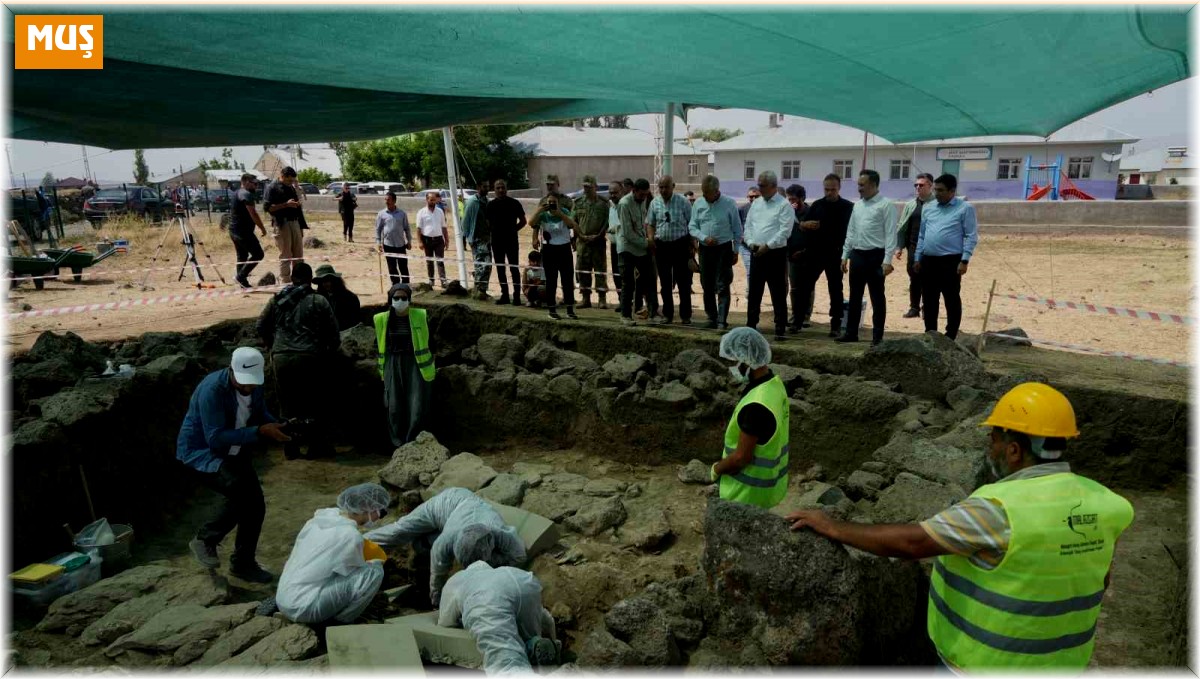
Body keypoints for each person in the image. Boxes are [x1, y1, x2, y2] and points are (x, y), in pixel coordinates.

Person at [786, 382, 1134, 672]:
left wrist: (832, 526)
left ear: (1014, 450)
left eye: (993, 440)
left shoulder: (998, 510)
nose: (990, 448)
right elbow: (1099, 579)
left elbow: (914, 543)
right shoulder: (1105, 503)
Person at [177, 347, 291, 583]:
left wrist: (279, 426)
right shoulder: (213, 390)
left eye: (253, 383)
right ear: (232, 370)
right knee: (242, 492)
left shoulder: (254, 389)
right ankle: (206, 539)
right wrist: (259, 432)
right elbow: (215, 438)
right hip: (204, 452)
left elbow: (260, 414)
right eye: (245, 383)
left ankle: (243, 563)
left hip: (236, 450)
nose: (249, 388)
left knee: (255, 505)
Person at [364, 487, 527, 606]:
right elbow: (438, 571)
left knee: (423, 544)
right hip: (446, 503)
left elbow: (519, 557)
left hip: (466, 512)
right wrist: (437, 598)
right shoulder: (448, 539)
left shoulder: (501, 533)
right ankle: (358, 542)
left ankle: (423, 541)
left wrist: (492, 563)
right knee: (400, 532)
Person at [256, 262, 340, 460]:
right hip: (309, 357)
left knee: (287, 406)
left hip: (281, 357)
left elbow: (261, 324)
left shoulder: (277, 299)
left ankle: (290, 448)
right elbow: (333, 333)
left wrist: (271, 344)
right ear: (311, 280)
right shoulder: (318, 301)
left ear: (292, 278)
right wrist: (327, 351)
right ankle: (315, 447)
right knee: (313, 405)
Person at [275, 483, 392, 625]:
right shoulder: (350, 536)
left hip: (283, 597)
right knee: (374, 571)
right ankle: (340, 623)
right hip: (304, 608)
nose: (379, 518)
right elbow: (353, 570)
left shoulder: (321, 519)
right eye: (381, 512)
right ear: (367, 509)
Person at [710, 327, 789, 509]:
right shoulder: (773, 385)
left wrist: (715, 469)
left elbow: (740, 458)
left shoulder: (756, 406)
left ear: (745, 361)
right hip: (767, 488)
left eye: (733, 360)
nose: (731, 367)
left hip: (745, 495)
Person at [438, 562, 560, 674]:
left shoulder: (456, 581)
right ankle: (534, 646)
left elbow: (445, 621)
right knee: (525, 636)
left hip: (486, 598)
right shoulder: (492, 573)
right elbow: (546, 618)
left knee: (504, 661)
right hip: (523, 581)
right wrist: (554, 638)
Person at [915, 174, 979, 340]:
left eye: (941, 190)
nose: (937, 193)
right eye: (935, 190)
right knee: (929, 299)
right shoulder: (928, 208)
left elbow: (971, 236)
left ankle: (950, 335)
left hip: (951, 261)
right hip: (928, 261)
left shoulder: (965, 208)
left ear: (952, 191)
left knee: (951, 298)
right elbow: (922, 235)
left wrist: (964, 260)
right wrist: (917, 257)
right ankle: (931, 333)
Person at [839, 169, 898, 345]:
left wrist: (887, 261)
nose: (859, 188)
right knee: (855, 296)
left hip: (876, 256)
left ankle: (877, 336)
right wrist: (845, 255)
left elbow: (890, 235)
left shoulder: (886, 205)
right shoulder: (857, 205)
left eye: (862, 185)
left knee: (877, 297)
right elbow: (851, 231)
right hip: (857, 255)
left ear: (873, 185)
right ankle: (851, 333)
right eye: (859, 184)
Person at [375, 282, 435, 447]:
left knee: (416, 405)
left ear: (409, 299)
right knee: (393, 406)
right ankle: (397, 443)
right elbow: (379, 344)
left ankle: (413, 441)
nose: (400, 301)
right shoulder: (381, 319)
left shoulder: (421, 316)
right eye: (396, 298)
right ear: (390, 299)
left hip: (416, 365)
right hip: (393, 363)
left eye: (403, 298)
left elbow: (431, 341)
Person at [795, 174, 853, 338]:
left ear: (839, 188)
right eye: (826, 189)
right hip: (815, 253)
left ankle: (835, 324)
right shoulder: (817, 205)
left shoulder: (847, 207)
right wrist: (805, 225)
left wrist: (846, 255)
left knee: (835, 289)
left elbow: (851, 232)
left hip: (836, 253)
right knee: (804, 287)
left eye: (832, 189)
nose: (829, 193)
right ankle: (798, 321)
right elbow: (803, 225)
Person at [743, 171, 793, 341]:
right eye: (758, 185)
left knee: (778, 292)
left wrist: (768, 246)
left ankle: (780, 328)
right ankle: (751, 325)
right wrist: (750, 243)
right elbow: (748, 226)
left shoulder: (784, 205)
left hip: (775, 254)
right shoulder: (756, 204)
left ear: (772, 186)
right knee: (755, 291)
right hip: (756, 251)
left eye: (762, 186)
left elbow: (784, 231)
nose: (759, 189)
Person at [689, 175, 742, 330]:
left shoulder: (729, 204)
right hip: (705, 249)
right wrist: (704, 237)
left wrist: (736, 250)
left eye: (707, 193)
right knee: (707, 284)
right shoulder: (698, 203)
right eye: (703, 193)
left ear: (716, 191)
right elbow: (692, 227)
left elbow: (737, 229)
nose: (704, 196)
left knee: (723, 284)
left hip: (724, 249)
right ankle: (711, 317)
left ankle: (721, 320)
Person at [646, 175, 694, 325]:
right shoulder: (654, 203)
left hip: (680, 245)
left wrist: (693, 245)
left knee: (684, 283)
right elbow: (650, 224)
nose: (663, 190)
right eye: (660, 187)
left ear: (673, 186)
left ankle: (685, 316)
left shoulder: (683, 202)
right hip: (662, 247)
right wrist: (651, 239)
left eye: (666, 187)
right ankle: (668, 315)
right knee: (665, 283)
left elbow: (691, 224)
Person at [529, 190, 578, 320]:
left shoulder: (565, 212)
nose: (551, 204)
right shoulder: (543, 215)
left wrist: (560, 214)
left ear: (559, 203)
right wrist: (539, 211)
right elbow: (531, 223)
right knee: (551, 281)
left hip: (564, 248)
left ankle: (569, 308)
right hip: (549, 249)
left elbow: (571, 224)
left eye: (554, 202)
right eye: (549, 202)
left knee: (567, 279)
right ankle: (552, 309)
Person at [616, 178, 658, 326]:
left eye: (646, 195)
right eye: (641, 195)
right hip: (627, 248)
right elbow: (628, 233)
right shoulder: (624, 204)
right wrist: (647, 243)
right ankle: (625, 315)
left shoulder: (644, 201)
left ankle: (653, 314)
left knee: (650, 280)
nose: (644, 197)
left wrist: (649, 238)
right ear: (634, 191)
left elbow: (643, 224)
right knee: (628, 282)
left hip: (642, 246)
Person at [895, 173, 937, 319]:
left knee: (929, 280)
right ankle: (914, 308)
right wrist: (899, 247)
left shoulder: (937, 204)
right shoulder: (910, 205)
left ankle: (928, 308)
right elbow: (902, 226)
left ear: (930, 186)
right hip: (913, 247)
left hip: (931, 249)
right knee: (914, 278)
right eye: (916, 185)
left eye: (922, 185)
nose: (918, 187)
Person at [485, 179, 527, 306]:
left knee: (514, 268)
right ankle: (505, 295)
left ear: (506, 189)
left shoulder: (514, 203)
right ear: (494, 189)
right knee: (500, 268)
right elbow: (487, 223)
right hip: (497, 241)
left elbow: (523, 221)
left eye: (503, 187)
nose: (501, 190)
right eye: (498, 188)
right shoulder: (490, 205)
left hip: (511, 241)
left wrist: (513, 230)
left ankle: (517, 296)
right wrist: (493, 232)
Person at [573, 175, 611, 310]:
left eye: (589, 187)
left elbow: (608, 222)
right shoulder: (578, 203)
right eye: (584, 187)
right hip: (583, 243)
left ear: (595, 187)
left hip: (598, 242)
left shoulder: (603, 203)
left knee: (600, 271)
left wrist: (599, 235)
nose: (586, 189)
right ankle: (585, 298)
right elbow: (574, 222)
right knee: (583, 270)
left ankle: (602, 298)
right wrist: (581, 236)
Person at [264, 166, 306, 285]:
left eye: (292, 180)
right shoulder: (272, 187)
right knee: (286, 254)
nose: (291, 183)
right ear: (282, 176)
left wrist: (301, 226)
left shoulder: (291, 187)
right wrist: (285, 205)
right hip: (282, 224)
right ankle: (285, 282)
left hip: (295, 223)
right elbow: (267, 208)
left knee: (298, 255)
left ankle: (299, 280)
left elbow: (297, 208)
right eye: (289, 180)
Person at [229, 173, 268, 289]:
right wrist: (262, 228)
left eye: (257, 184)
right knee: (258, 254)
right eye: (254, 184)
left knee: (242, 256)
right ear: (246, 182)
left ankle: (242, 283)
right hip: (242, 232)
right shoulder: (246, 194)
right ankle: (240, 277)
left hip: (234, 230)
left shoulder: (237, 193)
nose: (256, 186)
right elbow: (254, 214)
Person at [783, 184, 812, 332]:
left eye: (794, 199)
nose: (791, 202)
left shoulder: (811, 212)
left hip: (808, 255)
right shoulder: (787, 213)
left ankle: (806, 315)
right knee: (794, 288)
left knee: (807, 287)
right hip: (791, 255)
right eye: (789, 199)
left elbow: (815, 237)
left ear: (802, 198)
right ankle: (795, 317)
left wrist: (805, 251)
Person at [461, 179, 492, 295]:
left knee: (487, 266)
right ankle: (479, 289)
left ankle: (482, 289)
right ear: (478, 187)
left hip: (487, 238)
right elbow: (465, 222)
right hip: (477, 239)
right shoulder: (472, 202)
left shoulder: (486, 201)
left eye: (488, 186)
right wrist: (469, 238)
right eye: (484, 186)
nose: (487, 189)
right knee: (481, 265)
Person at [376, 192, 413, 286]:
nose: (386, 202)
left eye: (388, 200)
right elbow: (378, 229)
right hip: (388, 244)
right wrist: (378, 243)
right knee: (392, 267)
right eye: (385, 199)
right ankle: (395, 285)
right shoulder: (381, 214)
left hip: (401, 244)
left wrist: (409, 241)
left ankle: (406, 285)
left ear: (394, 201)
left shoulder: (402, 214)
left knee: (403, 266)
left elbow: (407, 228)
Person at [416, 191, 449, 288]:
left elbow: (444, 227)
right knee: (429, 261)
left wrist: (446, 240)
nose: (433, 202)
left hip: (439, 240)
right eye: (431, 200)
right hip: (427, 240)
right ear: (427, 200)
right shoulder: (421, 212)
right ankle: (431, 280)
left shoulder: (440, 212)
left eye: (434, 200)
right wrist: (419, 242)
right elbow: (418, 229)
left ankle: (443, 281)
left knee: (440, 261)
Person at [314, 264, 361, 331]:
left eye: (328, 280)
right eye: (322, 281)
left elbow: (354, 320)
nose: (325, 284)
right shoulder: (317, 300)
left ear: (335, 280)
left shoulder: (350, 298)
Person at [737, 185, 761, 295]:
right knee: (750, 270)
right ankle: (750, 294)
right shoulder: (742, 209)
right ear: (748, 197)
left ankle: (752, 291)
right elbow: (737, 226)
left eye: (757, 196)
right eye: (751, 196)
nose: (754, 199)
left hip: (761, 246)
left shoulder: (765, 210)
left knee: (758, 271)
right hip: (745, 246)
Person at [606, 180, 625, 305]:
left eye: (615, 193)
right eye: (610, 193)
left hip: (625, 246)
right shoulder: (611, 206)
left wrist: (616, 229)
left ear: (621, 192)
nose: (612, 195)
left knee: (625, 276)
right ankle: (621, 300)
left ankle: (629, 302)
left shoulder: (625, 205)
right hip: (613, 245)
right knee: (616, 275)